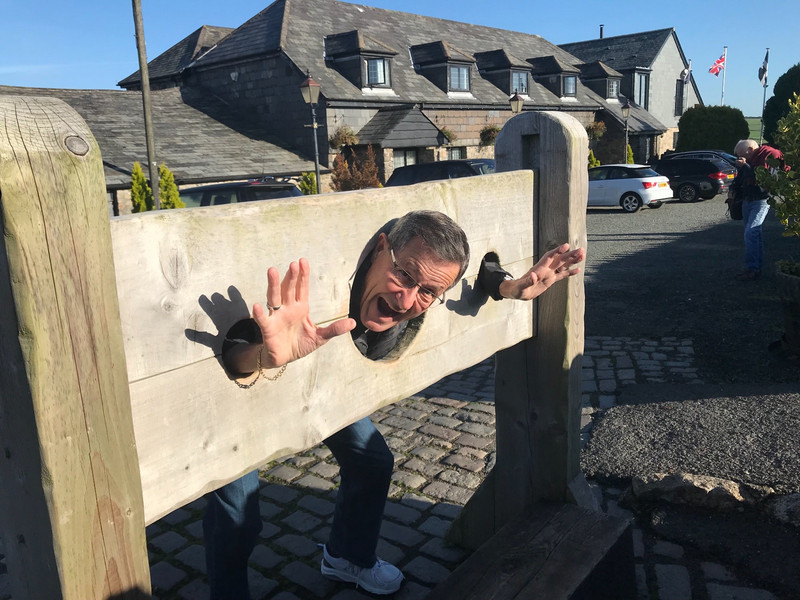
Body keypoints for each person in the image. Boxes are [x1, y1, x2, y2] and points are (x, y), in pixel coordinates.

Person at [203, 210, 586, 598]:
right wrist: (264, 358)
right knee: (238, 515)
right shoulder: (316, 282)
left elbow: (479, 271)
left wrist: (505, 286)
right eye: (403, 274)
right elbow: (227, 354)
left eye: (427, 292)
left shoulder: (421, 289)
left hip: (325, 385)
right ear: (380, 246)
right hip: (243, 387)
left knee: (372, 462)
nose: (406, 300)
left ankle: (347, 557)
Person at [730, 139, 784, 281]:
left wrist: (746, 166)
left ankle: (752, 268)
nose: (741, 158)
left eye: (743, 155)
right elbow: (743, 177)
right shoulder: (752, 158)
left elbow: (765, 179)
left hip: (761, 199)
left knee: (751, 232)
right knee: (755, 234)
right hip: (747, 200)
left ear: (750, 150)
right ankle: (755, 267)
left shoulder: (769, 155)